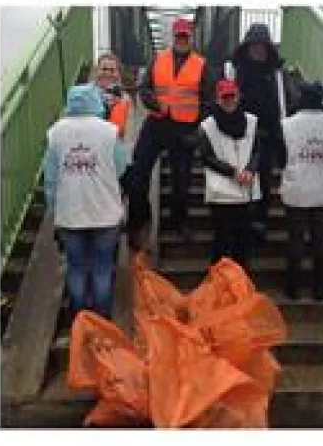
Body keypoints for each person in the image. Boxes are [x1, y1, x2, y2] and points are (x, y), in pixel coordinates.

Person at [125, 18, 213, 248]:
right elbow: (145, 89)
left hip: (184, 128)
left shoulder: (201, 64)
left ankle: (179, 222)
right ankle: (138, 219)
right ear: (173, 37)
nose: (182, 39)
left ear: (191, 38)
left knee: (182, 181)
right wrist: (155, 104)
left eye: (185, 36)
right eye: (179, 36)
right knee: (138, 173)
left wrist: (198, 131)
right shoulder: (158, 59)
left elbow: (209, 101)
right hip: (157, 123)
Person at [43, 84, 126, 320]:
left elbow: (50, 178)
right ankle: (102, 319)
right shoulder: (109, 132)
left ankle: (79, 319)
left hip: (70, 213)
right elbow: (120, 167)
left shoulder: (56, 133)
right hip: (105, 213)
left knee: (76, 267)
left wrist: (54, 208)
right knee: (102, 268)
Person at [231, 23, 300, 240]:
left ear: (268, 48)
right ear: (247, 47)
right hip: (240, 135)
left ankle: (260, 220)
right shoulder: (235, 72)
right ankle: (242, 220)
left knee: (264, 179)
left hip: (268, 135)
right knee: (240, 178)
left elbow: (290, 102)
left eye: (262, 46)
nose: (258, 50)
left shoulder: (279, 74)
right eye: (254, 45)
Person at [276, 81, 323, 301]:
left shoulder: (286, 124)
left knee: (296, 239)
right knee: (319, 239)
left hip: (296, 189)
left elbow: (281, 158)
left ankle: (292, 287)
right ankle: (320, 288)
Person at [197, 79, 260, 271]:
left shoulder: (252, 121)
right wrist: (233, 172)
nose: (229, 100)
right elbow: (206, 157)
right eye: (225, 97)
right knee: (222, 243)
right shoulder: (207, 126)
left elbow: (257, 150)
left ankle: (241, 282)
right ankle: (219, 282)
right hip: (221, 193)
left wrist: (250, 169)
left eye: (232, 96)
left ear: (238, 96)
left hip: (246, 190)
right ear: (217, 99)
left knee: (243, 243)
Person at [93, 53, 131, 141]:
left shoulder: (126, 99)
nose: (107, 73)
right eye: (104, 69)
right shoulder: (84, 95)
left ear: (118, 73)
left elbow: (128, 134)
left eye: (112, 70)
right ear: (97, 71)